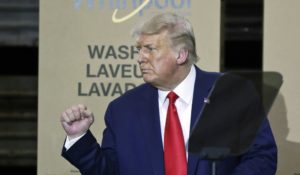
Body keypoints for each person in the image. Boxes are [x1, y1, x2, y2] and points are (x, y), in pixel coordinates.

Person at [60, 12, 277, 175]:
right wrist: (78, 137)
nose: (140, 58)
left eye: (150, 49)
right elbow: (108, 171)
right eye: (139, 49)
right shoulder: (122, 109)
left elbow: (262, 156)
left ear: (181, 55)